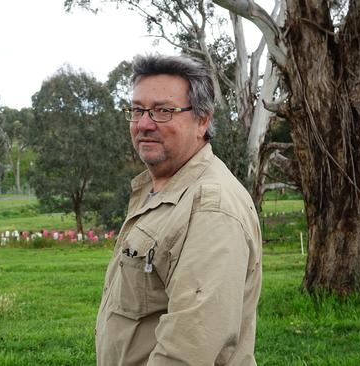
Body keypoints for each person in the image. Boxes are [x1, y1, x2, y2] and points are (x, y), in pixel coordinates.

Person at [95, 54, 262, 366]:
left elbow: (189, 348)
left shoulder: (211, 208)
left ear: (202, 120)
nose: (144, 124)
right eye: (137, 110)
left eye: (163, 111)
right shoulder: (160, 187)